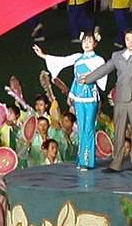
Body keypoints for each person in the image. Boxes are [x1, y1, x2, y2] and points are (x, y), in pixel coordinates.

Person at [81, 13, 132, 173]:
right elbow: (105, 69)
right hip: (121, 99)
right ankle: (116, 164)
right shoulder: (117, 56)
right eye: (128, 39)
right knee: (119, 132)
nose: (130, 42)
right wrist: (88, 78)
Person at [34, 33, 105, 170]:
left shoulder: (98, 60)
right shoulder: (78, 57)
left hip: (90, 97)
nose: (87, 43)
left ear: (95, 44)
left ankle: (88, 161)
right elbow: (62, 61)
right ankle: (81, 160)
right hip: (78, 97)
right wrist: (44, 55)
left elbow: (101, 75)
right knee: (81, 128)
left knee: (89, 128)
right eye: (85, 41)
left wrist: (90, 77)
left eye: (90, 41)